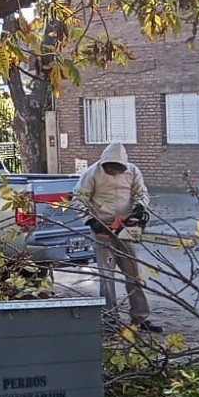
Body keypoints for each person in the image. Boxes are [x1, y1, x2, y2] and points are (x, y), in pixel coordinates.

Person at [74, 142, 162, 333]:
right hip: (103, 230)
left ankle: (140, 317)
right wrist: (92, 221)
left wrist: (139, 208)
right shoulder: (92, 173)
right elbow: (79, 198)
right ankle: (110, 318)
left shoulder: (133, 171)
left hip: (125, 230)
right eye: (111, 166)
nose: (114, 170)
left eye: (117, 167)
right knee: (107, 277)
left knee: (134, 275)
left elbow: (141, 193)